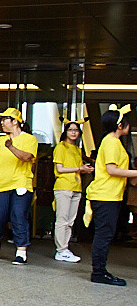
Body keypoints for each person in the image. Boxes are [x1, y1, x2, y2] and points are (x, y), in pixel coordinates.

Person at [86, 105, 137, 285]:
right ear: (120, 125)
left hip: (109, 195)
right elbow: (112, 169)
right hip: (105, 195)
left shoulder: (110, 141)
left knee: (105, 233)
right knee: (104, 234)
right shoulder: (112, 142)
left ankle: (100, 271)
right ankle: (99, 272)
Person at [0, 108, 38, 265]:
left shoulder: (29, 139)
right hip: (1, 184)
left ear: (15, 121)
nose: (1, 122)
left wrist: (11, 147)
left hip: (21, 183)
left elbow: (27, 157)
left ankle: (21, 251)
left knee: (18, 215)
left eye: (4, 119)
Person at [52, 120, 93, 262]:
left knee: (70, 221)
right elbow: (60, 169)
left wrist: (84, 169)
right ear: (65, 132)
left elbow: (75, 168)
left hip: (76, 187)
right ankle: (61, 250)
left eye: (76, 130)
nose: (74, 132)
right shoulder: (60, 147)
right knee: (62, 220)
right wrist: (79, 169)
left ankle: (65, 247)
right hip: (63, 186)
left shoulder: (77, 149)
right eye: (71, 130)